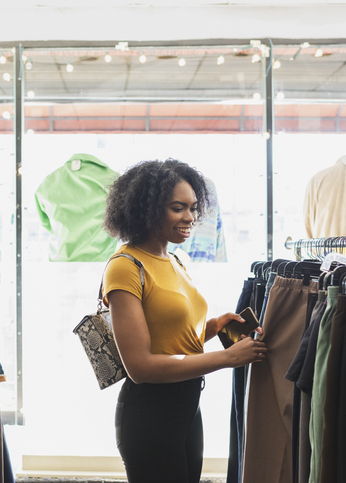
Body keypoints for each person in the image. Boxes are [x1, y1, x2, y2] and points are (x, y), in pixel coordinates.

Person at [102, 158, 267, 483]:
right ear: (145, 209)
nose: (190, 217)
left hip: (188, 405)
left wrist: (214, 327)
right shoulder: (125, 266)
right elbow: (140, 366)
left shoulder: (175, 259)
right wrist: (226, 358)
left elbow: (170, 338)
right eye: (178, 208)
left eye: (193, 207)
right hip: (150, 411)